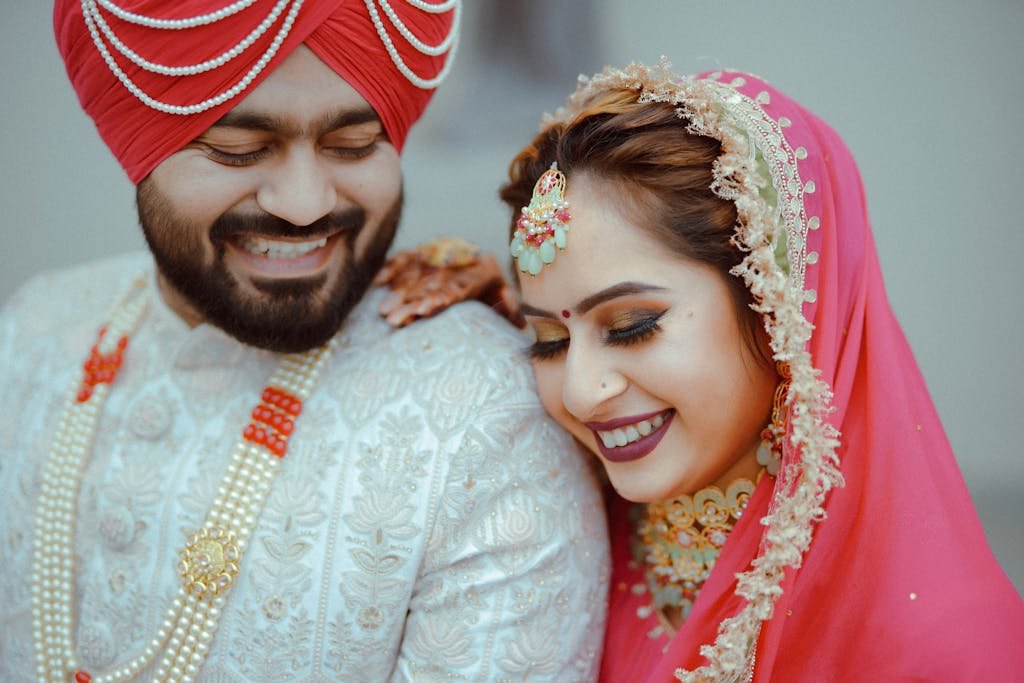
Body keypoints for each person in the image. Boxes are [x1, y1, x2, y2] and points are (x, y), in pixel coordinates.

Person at [0, 2, 609, 681]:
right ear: (135, 142)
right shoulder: (31, 332)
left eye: (352, 145)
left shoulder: (487, 415)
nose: (304, 203)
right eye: (238, 150)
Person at [490, 62, 1024, 680]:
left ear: (778, 307)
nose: (583, 393)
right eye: (550, 341)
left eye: (632, 325)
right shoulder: (572, 535)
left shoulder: (944, 647)